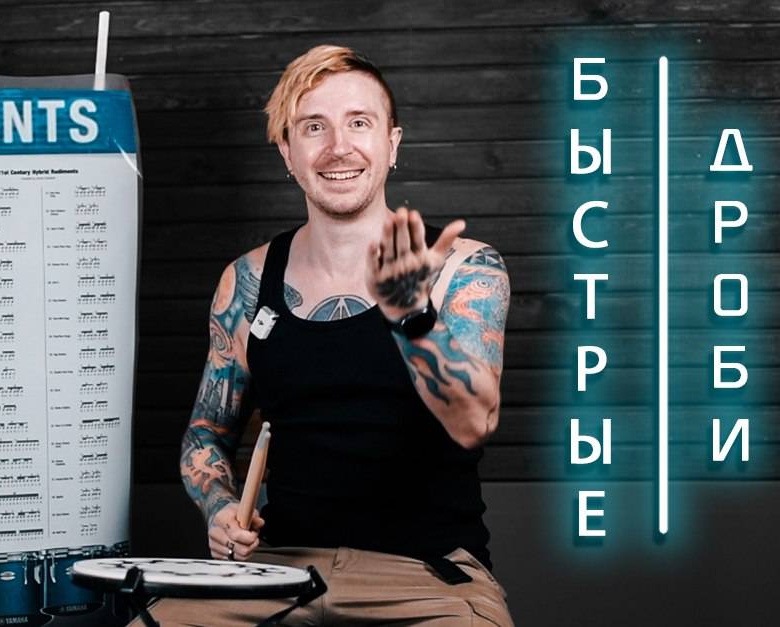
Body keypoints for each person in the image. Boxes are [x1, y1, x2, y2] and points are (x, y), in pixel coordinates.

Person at [153, 44, 513, 626]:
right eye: (314, 127)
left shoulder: (461, 270)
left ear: (392, 144)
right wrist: (219, 507)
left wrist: (411, 314)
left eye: (359, 123)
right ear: (287, 152)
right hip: (277, 569)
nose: (338, 147)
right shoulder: (247, 280)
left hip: (426, 578)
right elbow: (205, 435)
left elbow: (474, 421)